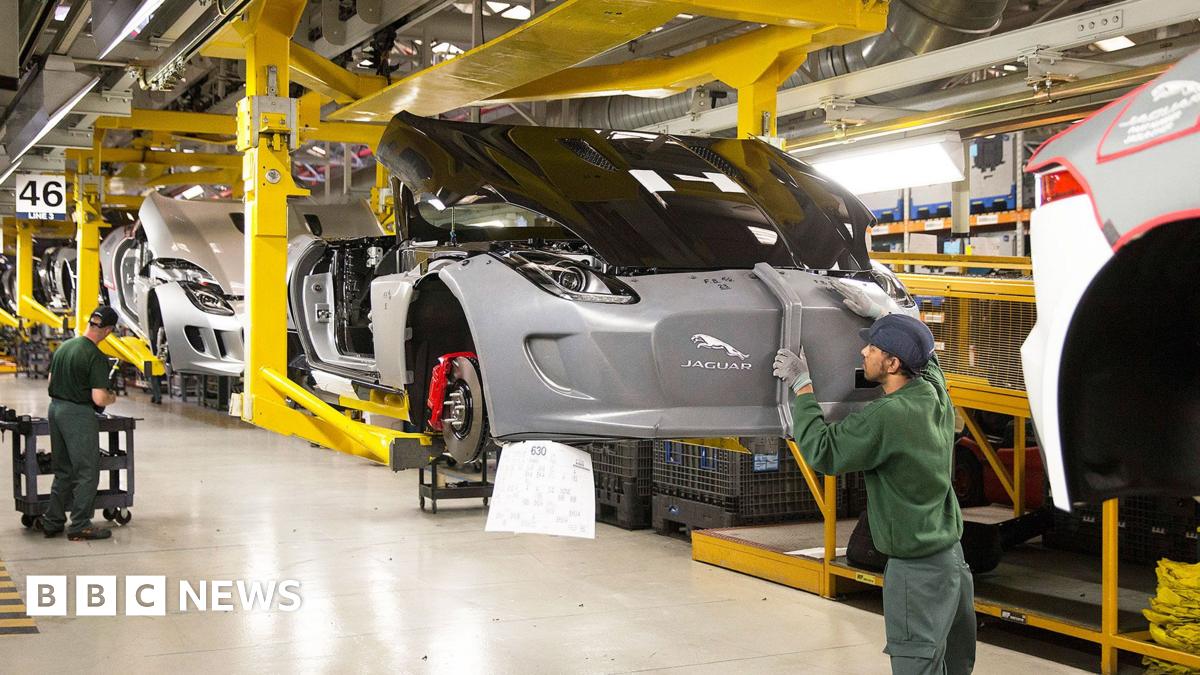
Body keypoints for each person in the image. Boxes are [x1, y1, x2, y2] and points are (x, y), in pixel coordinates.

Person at [773, 283, 975, 675]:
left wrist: (803, 387)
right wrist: (882, 315)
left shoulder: (887, 416)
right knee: (954, 667)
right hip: (952, 563)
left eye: (874, 348)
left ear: (894, 364)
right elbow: (930, 358)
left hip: (916, 574)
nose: (863, 351)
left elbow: (825, 451)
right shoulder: (934, 394)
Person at [42, 306, 120, 541]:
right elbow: (98, 398)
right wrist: (112, 397)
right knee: (87, 471)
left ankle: (52, 521)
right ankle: (80, 526)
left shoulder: (65, 347)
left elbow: (50, 382)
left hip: (55, 409)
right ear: (108, 330)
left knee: (63, 469)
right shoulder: (95, 356)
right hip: (77, 414)